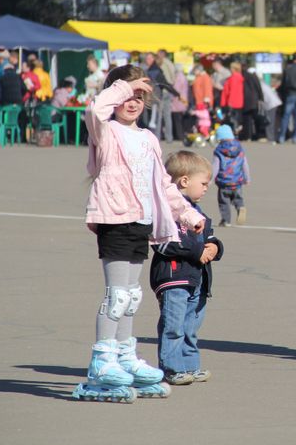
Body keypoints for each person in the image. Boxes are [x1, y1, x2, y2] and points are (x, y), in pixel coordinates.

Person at [74, 64, 205, 402]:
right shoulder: (104, 131)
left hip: (141, 222)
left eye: (139, 96)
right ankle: (102, 361)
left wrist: (186, 213)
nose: (132, 101)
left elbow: (162, 183)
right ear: (114, 94)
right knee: (116, 295)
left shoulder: (147, 138)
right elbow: (94, 108)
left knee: (131, 296)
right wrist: (122, 85)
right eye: (126, 95)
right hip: (114, 218)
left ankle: (125, 355)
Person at [152, 151, 224, 385]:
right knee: (173, 325)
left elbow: (208, 236)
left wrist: (214, 247)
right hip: (174, 277)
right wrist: (197, 252)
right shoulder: (167, 212)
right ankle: (172, 368)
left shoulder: (198, 212)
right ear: (184, 181)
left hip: (197, 278)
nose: (206, 188)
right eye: (203, 183)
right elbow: (162, 244)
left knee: (191, 326)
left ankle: (190, 366)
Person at [213, 124, 250, 227]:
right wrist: (247, 178)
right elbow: (244, 164)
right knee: (238, 198)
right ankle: (240, 207)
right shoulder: (239, 148)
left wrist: (210, 179)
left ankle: (226, 220)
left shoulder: (219, 150)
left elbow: (216, 166)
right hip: (237, 181)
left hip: (223, 182)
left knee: (224, 202)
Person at [143, 53, 168, 138]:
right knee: (150, 119)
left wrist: (177, 94)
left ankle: (154, 137)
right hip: (148, 98)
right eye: (147, 59)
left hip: (155, 98)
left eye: (150, 59)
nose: (148, 60)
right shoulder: (147, 70)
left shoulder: (156, 71)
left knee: (154, 119)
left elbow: (165, 84)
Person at [220, 61, 245, 133]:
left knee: (231, 119)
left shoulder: (234, 78)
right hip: (237, 102)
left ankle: (234, 132)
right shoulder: (237, 77)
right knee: (234, 119)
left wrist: (230, 102)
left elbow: (233, 91)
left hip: (233, 102)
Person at [241, 66, 264, 141]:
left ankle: (248, 136)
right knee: (257, 118)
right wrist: (261, 98)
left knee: (247, 119)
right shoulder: (253, 76)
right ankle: (259, 135)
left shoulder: (242, 76)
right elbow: (258, 87)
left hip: (246, 100)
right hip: (254, 100)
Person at [170, 63, 189, 142]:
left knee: (177, 119)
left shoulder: (178, 77)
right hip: (183, 99)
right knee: (180, 119)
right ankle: (180, 135)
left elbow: (175, 89)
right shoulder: (183, 77)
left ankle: (178, 135)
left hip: (177, 101)